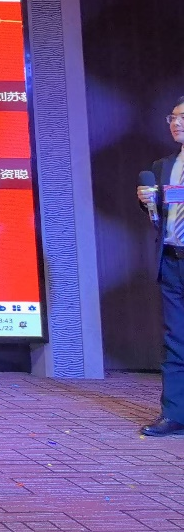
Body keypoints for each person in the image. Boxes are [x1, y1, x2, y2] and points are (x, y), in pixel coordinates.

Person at [136, 97, 184, 437]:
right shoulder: (164, 165)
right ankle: (174, 414)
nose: (176, 123)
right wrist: (147, 203)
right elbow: (161, 216)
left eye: (183, 117)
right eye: (172, 118)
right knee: (175, 340)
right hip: (171, 259)